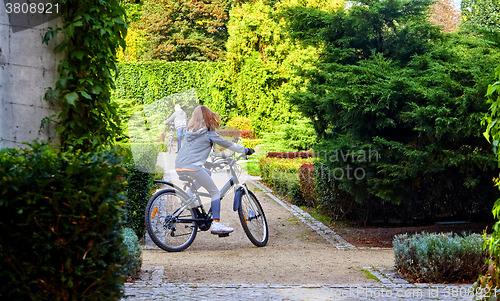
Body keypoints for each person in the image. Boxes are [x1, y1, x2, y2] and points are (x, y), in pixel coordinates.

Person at [175, 105, 254, 234]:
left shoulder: (189, 132)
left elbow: (191, 152)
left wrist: (208, 164)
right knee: (215, 192)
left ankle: (189, 193)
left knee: (207, 172)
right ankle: (216, 224)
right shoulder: (208, 133)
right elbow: (228, 144)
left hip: (179, 166)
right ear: (207, 117)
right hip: (193, 167)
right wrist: (245, 150)